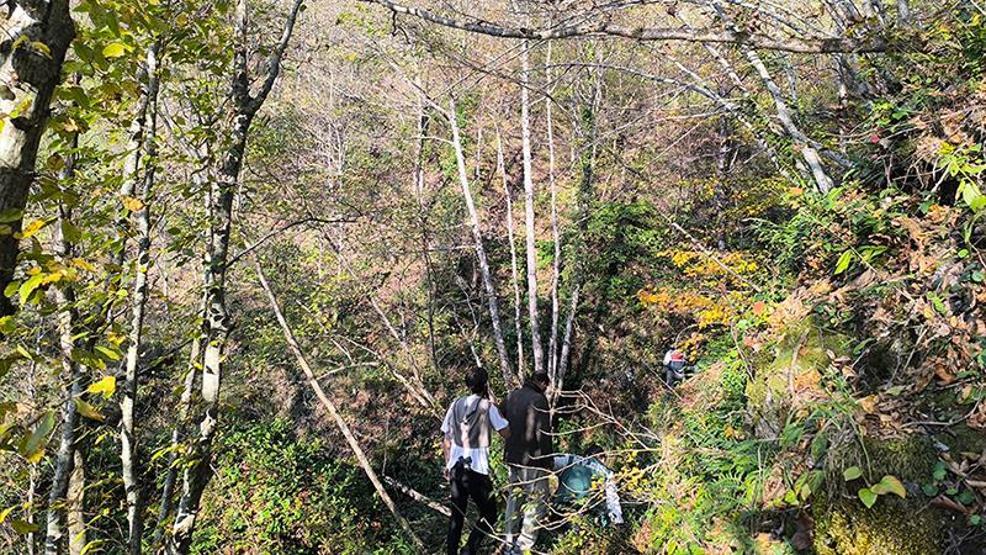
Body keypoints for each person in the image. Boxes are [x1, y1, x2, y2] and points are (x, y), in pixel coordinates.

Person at [442, 367, 511, 555]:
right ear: (485, 384)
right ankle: (469, 550)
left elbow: (446, 439)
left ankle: (452, 552)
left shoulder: (455, 404)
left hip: (456, 468)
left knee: (456, 516)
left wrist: (448, 464)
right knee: (490, 513)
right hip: (477, 470)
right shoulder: (488, 407)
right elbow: (506, 433)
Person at [502, 372, 553, 554]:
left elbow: (501, 421)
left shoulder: (511, 396)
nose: (546, 390)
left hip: (512, 457)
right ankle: (523, 545)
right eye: (546, 386)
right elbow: (544, 433)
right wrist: (547, 460)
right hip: (532, 459)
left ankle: (508, 541)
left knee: (514, 499)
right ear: (541, 382)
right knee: (538, 499)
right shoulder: (538, 400)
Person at [552, 445, 624, 526]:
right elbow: (612, 498)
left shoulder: (571, 458)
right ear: (602, 458)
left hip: (560, 502)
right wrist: (618, 518)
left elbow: (551, 462)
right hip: (583, 508)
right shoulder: (608, 473)